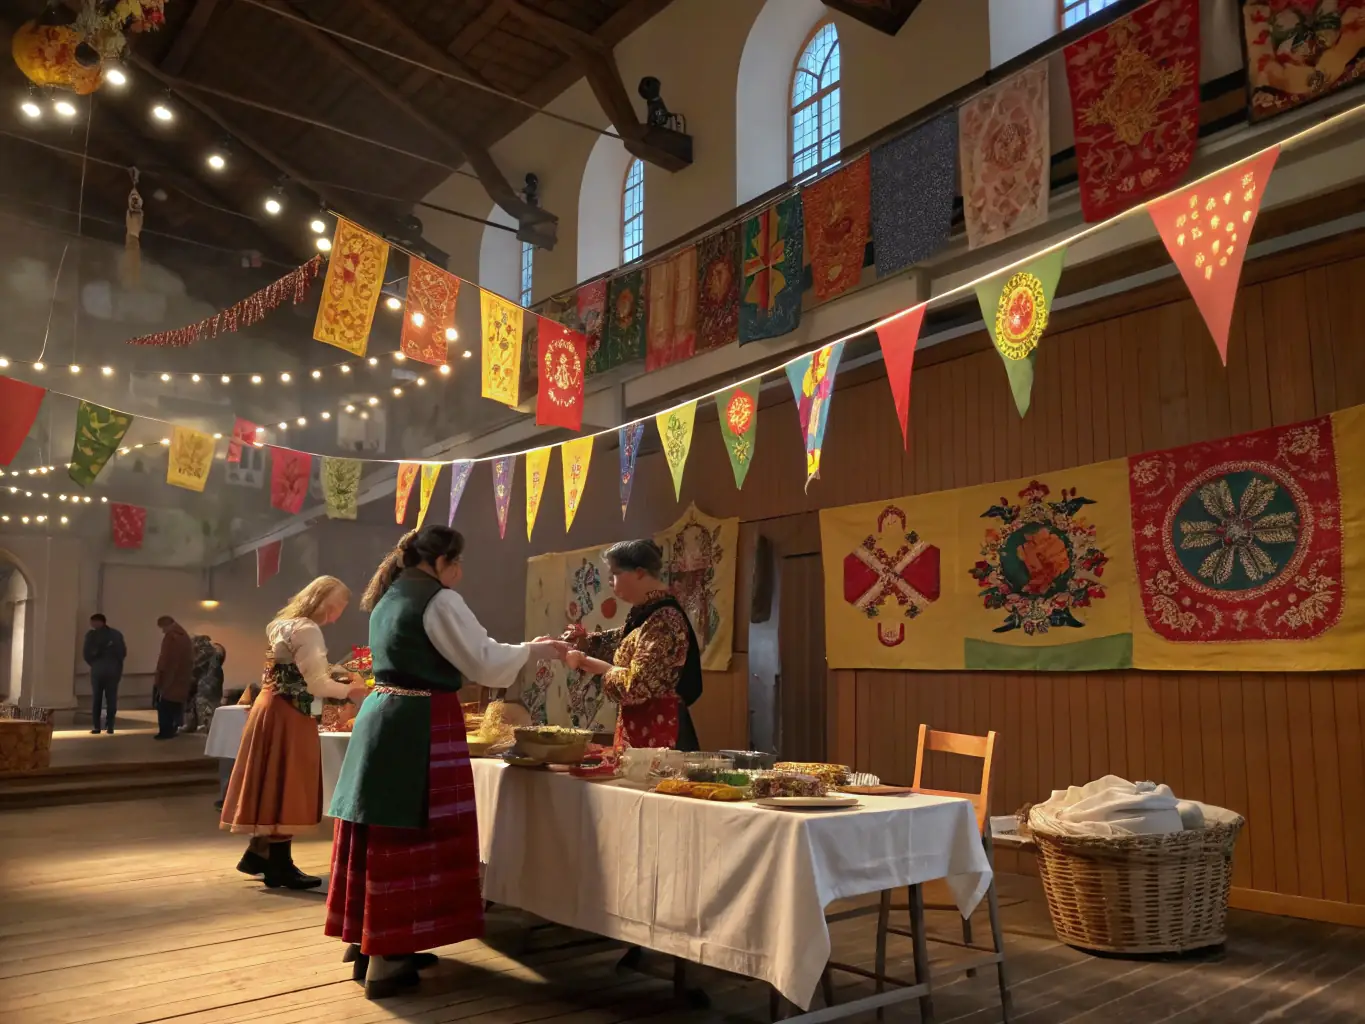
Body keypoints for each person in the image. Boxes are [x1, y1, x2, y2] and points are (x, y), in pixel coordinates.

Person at [325, 525, 568, 1000]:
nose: (460, 571)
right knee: (413, 830)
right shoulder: (439, 599)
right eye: (456, 562)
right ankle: (388, 960)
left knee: (379, 825)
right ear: (439, 562)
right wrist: (534, 650)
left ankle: (370, 942)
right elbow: (484, 662)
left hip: (383, 714)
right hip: (419, 721)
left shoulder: (390, 594)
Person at [220, 576, 366, 889]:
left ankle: (260, 854)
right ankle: (279, 865)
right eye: (338, 607)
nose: (338, 615)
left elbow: (296, 671)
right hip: (289, 713)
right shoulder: (308, 629)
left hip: (268, 705)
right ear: (325, 603)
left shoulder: (281, 623)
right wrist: (352, 690)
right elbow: (315, 684)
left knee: (272, 781)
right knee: (288, 782)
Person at [564, 539, 703, 753]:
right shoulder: (650, 613)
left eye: (615, 574)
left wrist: (603, 669)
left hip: (661, 731)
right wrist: (581, 642)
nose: (610, 582)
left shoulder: (664, 618)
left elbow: (637, 686)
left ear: (639, 572)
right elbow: (623, 642)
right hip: (645, 726)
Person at [82, 614, 126, 735]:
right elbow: (122, 653)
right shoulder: (116, 634)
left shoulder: (91, 636)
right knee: (111, 698)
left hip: (98, 670)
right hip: (113, 670)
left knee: (97, 698)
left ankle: (97, 726)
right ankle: (110, 725)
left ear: (98, 622)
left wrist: (95, 663)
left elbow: (86, 654)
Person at [153, 616, 194, 740]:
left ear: (168, 624)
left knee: (164, 705)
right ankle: (174, 727)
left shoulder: (172, 637)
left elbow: (165, 658)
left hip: (170, 677)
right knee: (175, 704)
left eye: (163, 627)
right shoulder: (184, 636)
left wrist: (160, 676)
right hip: (182, 677)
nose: (163, 631)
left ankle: (165, 731)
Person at [182, 637, 226, 734]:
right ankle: (202, 725)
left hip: (206, 685)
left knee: (205, 704)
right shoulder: (211, 654)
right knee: (203, 703)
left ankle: (209, 727)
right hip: (210, 684)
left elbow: (194, 670)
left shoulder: (203, 655)